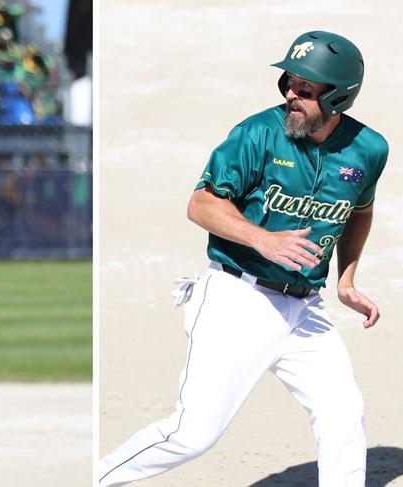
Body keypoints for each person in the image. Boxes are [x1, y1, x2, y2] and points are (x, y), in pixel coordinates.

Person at [99, 31, 388, 487]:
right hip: (238, 297)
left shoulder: (370, 150)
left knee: (343, 414)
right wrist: (263, 240)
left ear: (339, 98)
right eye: (288, 84)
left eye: (305, 89)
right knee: (191, 434)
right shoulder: (258, 133)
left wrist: (346, 280)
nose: (291, 94)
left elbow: (361, 211)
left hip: (305, 308)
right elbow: (201, 204)